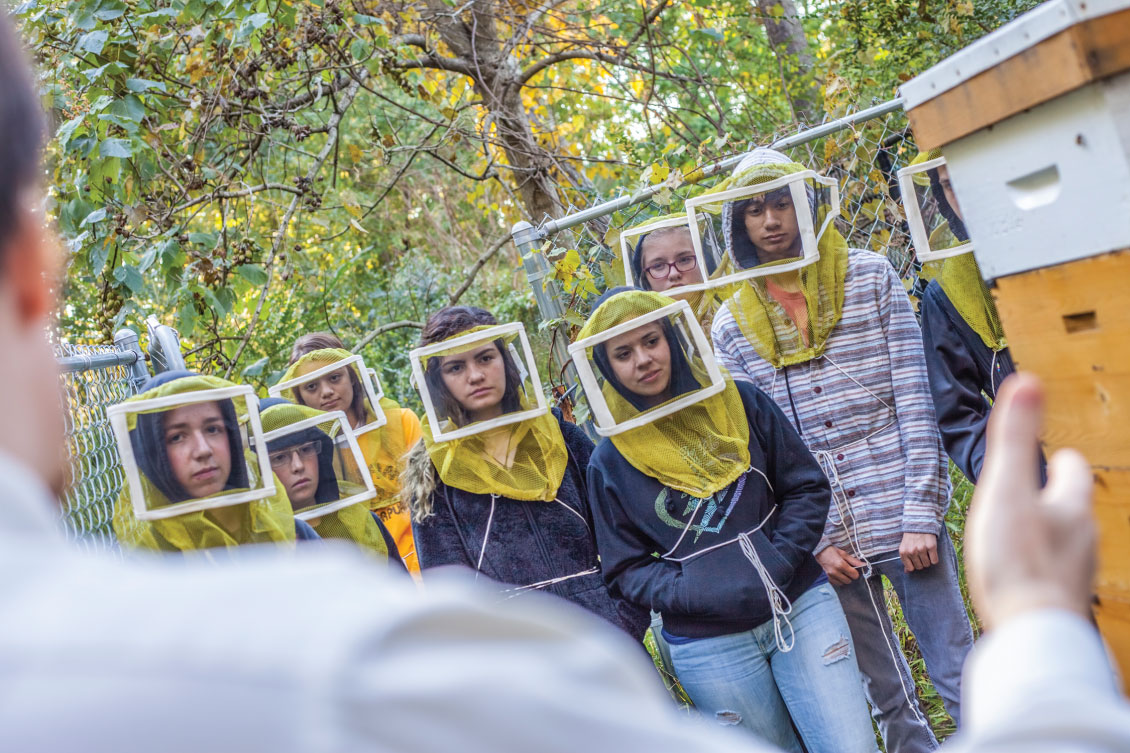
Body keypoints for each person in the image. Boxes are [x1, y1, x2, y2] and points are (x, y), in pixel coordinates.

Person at [1, 15, 1129, 749]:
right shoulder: (340, 662)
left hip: (791, 585)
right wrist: (1038, 623)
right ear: (33, 270)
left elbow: (745, 486)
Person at [710, 148, 973, 752]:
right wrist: (816, 542)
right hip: (824, 530)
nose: (771, 220)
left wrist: (921, 513)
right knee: (884, 689)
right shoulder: (731, 323)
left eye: (782, 203)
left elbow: (916, 396)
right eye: (755, 210)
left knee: (956, 664)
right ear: (737, 224)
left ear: (807, 206)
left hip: (903, 506)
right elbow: (758, 450)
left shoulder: (870, 275)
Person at [579, 288, 877, 751]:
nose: (643, 359)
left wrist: (779, 558)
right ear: (606, 368)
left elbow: (806, 487)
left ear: (672, 339)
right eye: (623, 353)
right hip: (708, 646)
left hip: (800, 605)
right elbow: (626, 568)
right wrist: (696, 591)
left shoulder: (741, 401)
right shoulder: (609, 462)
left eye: (651, 340)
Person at [402, 306, 648, 640]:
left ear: (506, 359)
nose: (475, 375)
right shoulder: (434, 472)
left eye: (485, 358)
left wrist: (624, 623)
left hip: (604, 639)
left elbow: (623, 538)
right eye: (456, 367)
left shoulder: (563, 438)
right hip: (516, 652)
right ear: (437, 380)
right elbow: (449, 589)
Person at [111, 371, 316, 554]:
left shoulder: (294, 535)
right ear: (152, 453)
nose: (203, 450)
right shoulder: (148, 561)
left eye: (212, 429)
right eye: (177, 437)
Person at [910, 150, 1017, 485]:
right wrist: (1005, 476)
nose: (964, 195)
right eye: (949, 185)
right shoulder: (945, 295)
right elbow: (959, 414)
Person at [281, 332, 422, 572]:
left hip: (422, 564)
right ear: (299, 396)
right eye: (312, 386)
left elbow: (431, 506)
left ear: (352, 376)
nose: (326, 391)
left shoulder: (402, 422)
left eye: (334, 377)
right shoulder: (304, 456)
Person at [259, 396, 406, 570]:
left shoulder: (362, 521)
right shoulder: (259, 545)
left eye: (306, 449)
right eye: (279, 458)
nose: (298, 466)